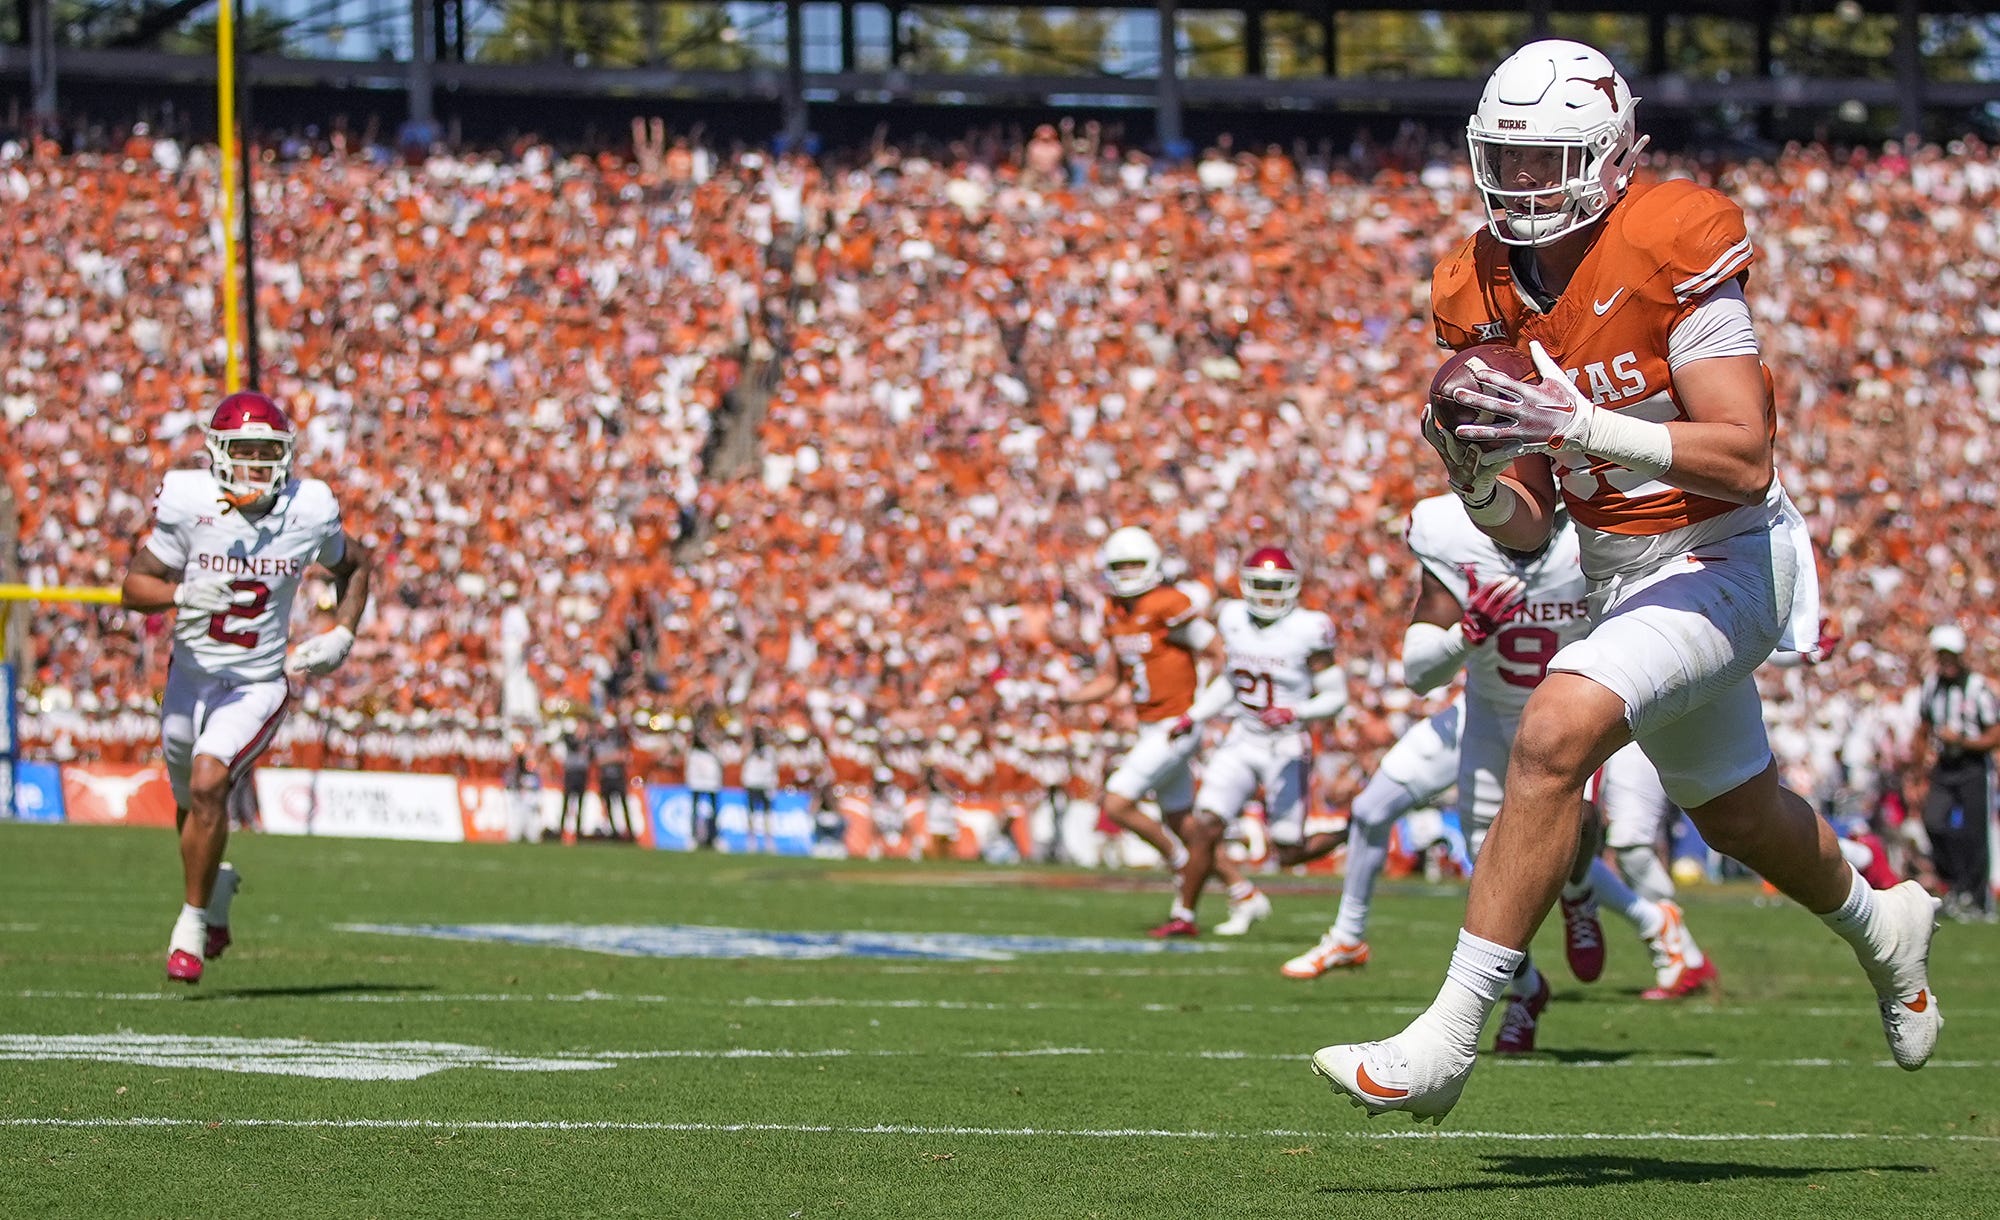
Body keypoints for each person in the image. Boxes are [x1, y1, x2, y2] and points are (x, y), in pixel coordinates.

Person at [1313, 39, 1941, 1123]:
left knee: (1553, 728)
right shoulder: (1478, 279)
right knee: (1738, 815)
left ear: (1608, 158)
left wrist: (1587, 423)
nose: (1519, 185)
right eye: (1502, 160)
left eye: (1545, 159)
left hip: (1723, 552)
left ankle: (1449, 1038)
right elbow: (1524, 522)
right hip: (1619, 572)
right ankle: (1881, 926)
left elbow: (1745, 453)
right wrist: (1470, 478)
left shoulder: (1671, 233)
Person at [1282, 498, 1709, 1030]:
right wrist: (1468, 632)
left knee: (1576, 825)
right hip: (1483, 710)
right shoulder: (1450, 537)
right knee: (1488, 862)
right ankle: (1524, 990)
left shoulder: (1593, 537)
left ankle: (1582, 894)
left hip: (1567, 710)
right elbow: (1418, 675)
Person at [119, 391, 373, 984]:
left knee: (210, 783)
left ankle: (190, 923)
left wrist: (342, 633)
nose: (257, 465)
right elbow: (134, 587)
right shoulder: (189, 502)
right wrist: (182, 594)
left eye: (268, 453)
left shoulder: (307, 509)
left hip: (257, 680)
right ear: (218, 454)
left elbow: (355, 566)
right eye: (244, 451)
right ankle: (217, 891)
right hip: (190, 678)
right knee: (191, 802)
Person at [1169, 546, 1350, 936]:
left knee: (1289, 852)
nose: (1268, 594)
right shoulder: (1233, 617)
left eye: (1276, 586)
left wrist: (1296, 712)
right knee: (1204, 826)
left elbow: (1336, 697)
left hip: (1285, 745)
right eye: (1261, 585)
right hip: (1243, 737)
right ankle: (1183, 916)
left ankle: (1359, 827)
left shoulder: (1309, 627)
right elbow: (1231, 682)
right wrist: (1195, 715)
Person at [1057, 527, 1214, 921]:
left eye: (1135, 564)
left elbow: (1216, 650)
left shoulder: (1166, 604)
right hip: (1149, 724)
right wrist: (1070, 697)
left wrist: (1207, 705)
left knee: (1117, 801)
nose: (1127, 572)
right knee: (1180, 820)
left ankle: (1178, 861)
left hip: (1176, 721)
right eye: (1120, 565)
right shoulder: (1115, 611)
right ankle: (1242, 891)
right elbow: (1112, 678)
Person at [1917, 625, 1999, 920]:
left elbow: (1994, 734)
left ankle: (1977, 899)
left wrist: (1962, 741)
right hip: (1944, 766)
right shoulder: (1931, 685)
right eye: (1942, 655)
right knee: (1933, 821)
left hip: (1973, 766)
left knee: (1974, 833)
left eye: (1951, 655)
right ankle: (1956, 885)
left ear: (1961, 656)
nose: (1946, 661)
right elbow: (1923, 727)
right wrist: (1916, 770)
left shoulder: (1976, 688)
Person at [595, 718, 637, 842]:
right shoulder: (596, 742)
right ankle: (613, 832)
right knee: (608, 806)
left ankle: (629, 831)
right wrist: (614, 757)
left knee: (624, 805)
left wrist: (609, 758)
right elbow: (599, 761)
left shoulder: (616, 740)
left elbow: (624, 756)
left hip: (618, 778)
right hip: (605, 778)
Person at [742, 726, 779, 852]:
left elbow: (774, 768)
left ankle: (768, 840)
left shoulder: (770, 751)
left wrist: (773, 784)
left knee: (767, 814)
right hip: (752, 783)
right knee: (752, 813)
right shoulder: (750, 749)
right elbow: (743, 760)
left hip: (766, 784)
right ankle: (751, 840)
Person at [686, 726, 724, 849]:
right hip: (697, 783)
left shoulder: (713, 751)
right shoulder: (693, 750)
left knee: (714, 811)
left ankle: (715, 837)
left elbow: (722, 762)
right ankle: (693, 837)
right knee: (694, 810)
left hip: (712, 784)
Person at [557, 725, 592, 841]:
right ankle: (561, 830)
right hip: (571, 773)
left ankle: (578, 832)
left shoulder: (589, 741)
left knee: (580, 804)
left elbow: (591, 754)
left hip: (582, 773)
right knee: (566, 802)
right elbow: (573, 746)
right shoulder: (570, 739)